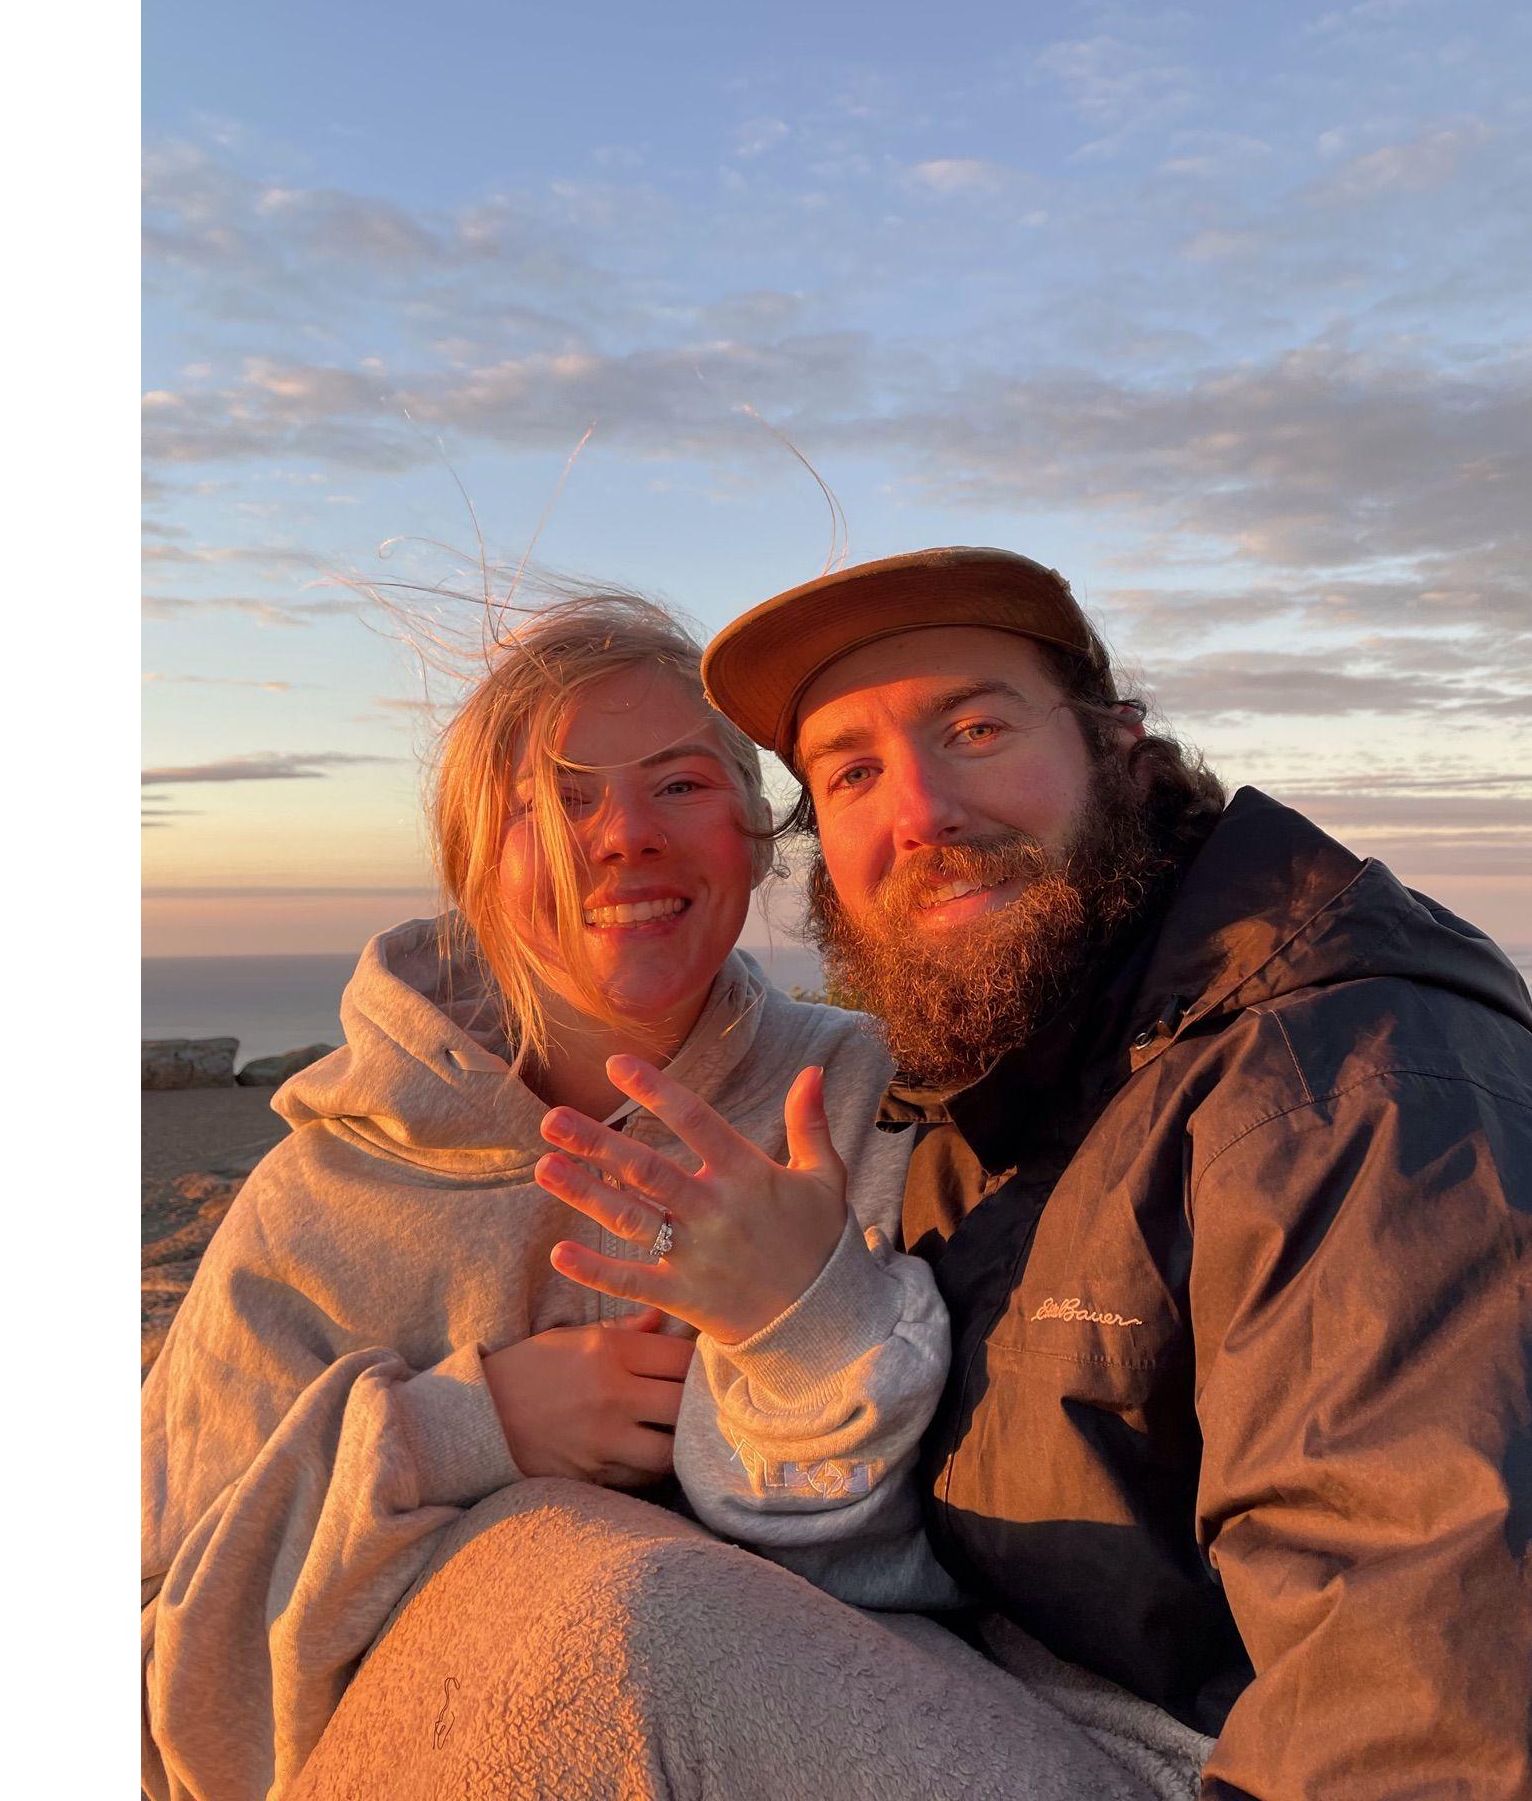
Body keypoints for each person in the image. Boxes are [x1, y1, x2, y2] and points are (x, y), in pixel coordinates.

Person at [515, 546, 1532, 1800]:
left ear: (1118, 748)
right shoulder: (988, 1107)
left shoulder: (1361, 1115)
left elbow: (1462, 1737)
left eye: (972, 726)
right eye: (852, 770)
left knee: (618, 1635)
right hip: (1039, 1725)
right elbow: (939, 1568)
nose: (921, 812)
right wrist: (790, 1334)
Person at [141, 590, 948, 1801]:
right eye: (557, 797)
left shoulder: (881, 1101)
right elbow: (167, 1674)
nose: (623, 833)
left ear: (755, 833)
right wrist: (467, 1429)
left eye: (678, 782)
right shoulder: (320, 1196)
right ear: (474, 864)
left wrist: (809, 1321)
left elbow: (1009, 1561)